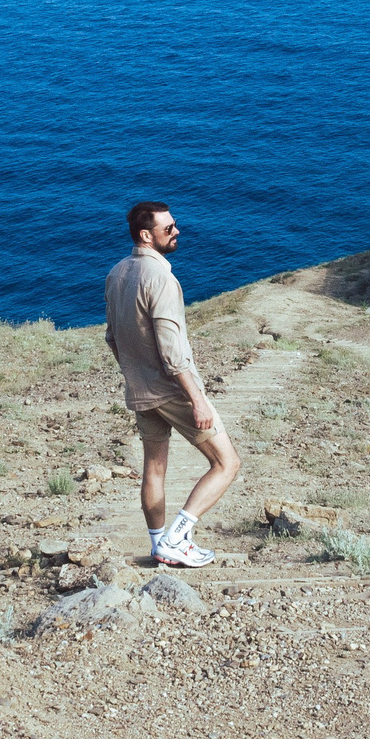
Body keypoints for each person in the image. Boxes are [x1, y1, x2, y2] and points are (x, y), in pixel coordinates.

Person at [103, 200, 241, 568]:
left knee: (154, 469)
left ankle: (157, 545)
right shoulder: (160, 277)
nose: (177, 231)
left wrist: (135, 374)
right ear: (147, 235)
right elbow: (172, 349)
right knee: (226, 463)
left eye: (175, 224)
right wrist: (196, 399)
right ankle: (177, 538)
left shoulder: (117, 273)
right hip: (173, 389)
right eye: (169, 228)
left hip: (140, 389)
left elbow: (113, 338)